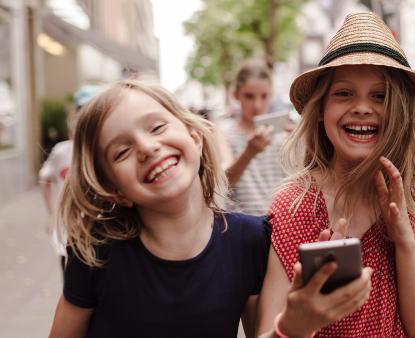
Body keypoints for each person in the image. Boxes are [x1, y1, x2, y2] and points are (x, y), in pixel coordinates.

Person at [257, 12, 415, 337]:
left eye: (380, 96)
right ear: (320, 110)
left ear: (400, 113)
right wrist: (298, 321)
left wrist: (404, 239)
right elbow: (267, 327)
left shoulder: (410, 195)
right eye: (344, 93)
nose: (362, 107)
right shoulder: (294, 206)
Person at [47, 80, 270, 338]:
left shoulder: (250, 239)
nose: (146, 147)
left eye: (157, 127)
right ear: (115, 190)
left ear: (194, 137)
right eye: (121, 152)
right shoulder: (95, 252)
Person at [39, 85, 101, 275]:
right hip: (68, 231)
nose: (86, 116)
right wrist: (51, 214)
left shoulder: (104, 150)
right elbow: (45, 179)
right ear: (74, 115)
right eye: (82, 110)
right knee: (72, 281)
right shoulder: (62, 151)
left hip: (100, 232)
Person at [216, 57, 287, 215]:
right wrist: (249, 153)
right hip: (243, 225)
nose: (257, 105)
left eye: (264, 96)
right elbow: (225, 182)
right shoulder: (224, 133)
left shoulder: (281, 133)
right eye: (249, 96)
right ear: (236, 95)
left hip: (278, 223)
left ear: (271, 95)